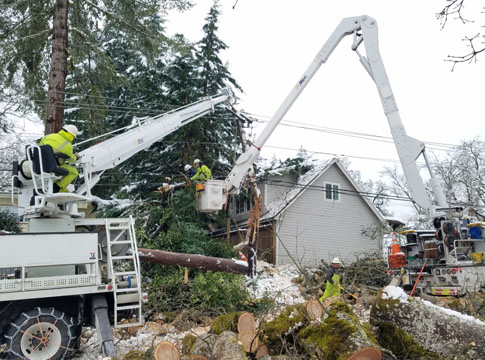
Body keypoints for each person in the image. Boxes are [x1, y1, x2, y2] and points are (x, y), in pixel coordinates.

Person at [39, 124, 80, 192]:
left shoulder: (48, 136)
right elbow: (71, 160)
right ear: (71, 135)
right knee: (74, 172)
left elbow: (40, 147)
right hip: (54, 166)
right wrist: (76, 157)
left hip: (40, 163)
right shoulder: (68, 145)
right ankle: (57, 187)